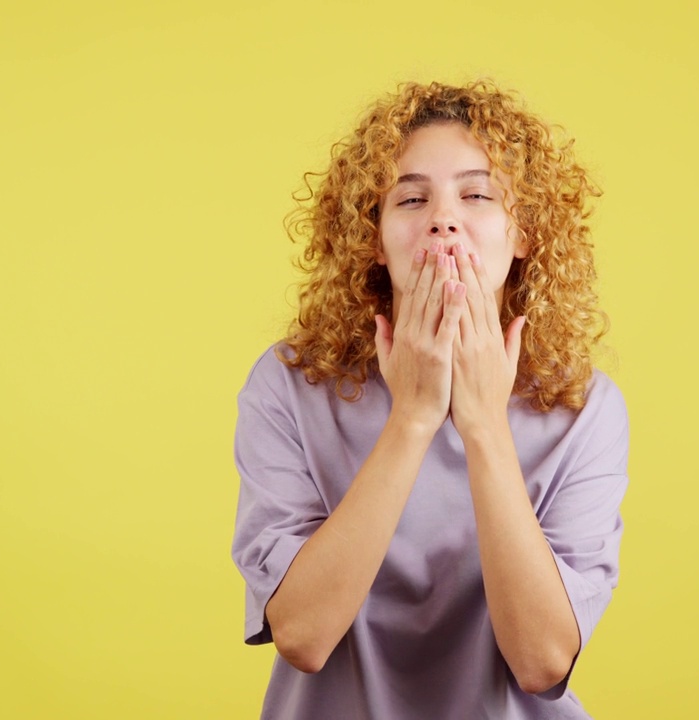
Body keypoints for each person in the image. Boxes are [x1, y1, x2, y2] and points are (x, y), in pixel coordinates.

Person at [231, 79, 629, 719]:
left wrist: (483, 425)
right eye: (411, 198)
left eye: (477, 194)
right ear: (376, 240)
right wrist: (413, 417)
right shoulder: (288, 386)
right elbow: (302, 636)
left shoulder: (585, 410)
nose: (444, 219)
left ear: (522, 234)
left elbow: (543, 660)